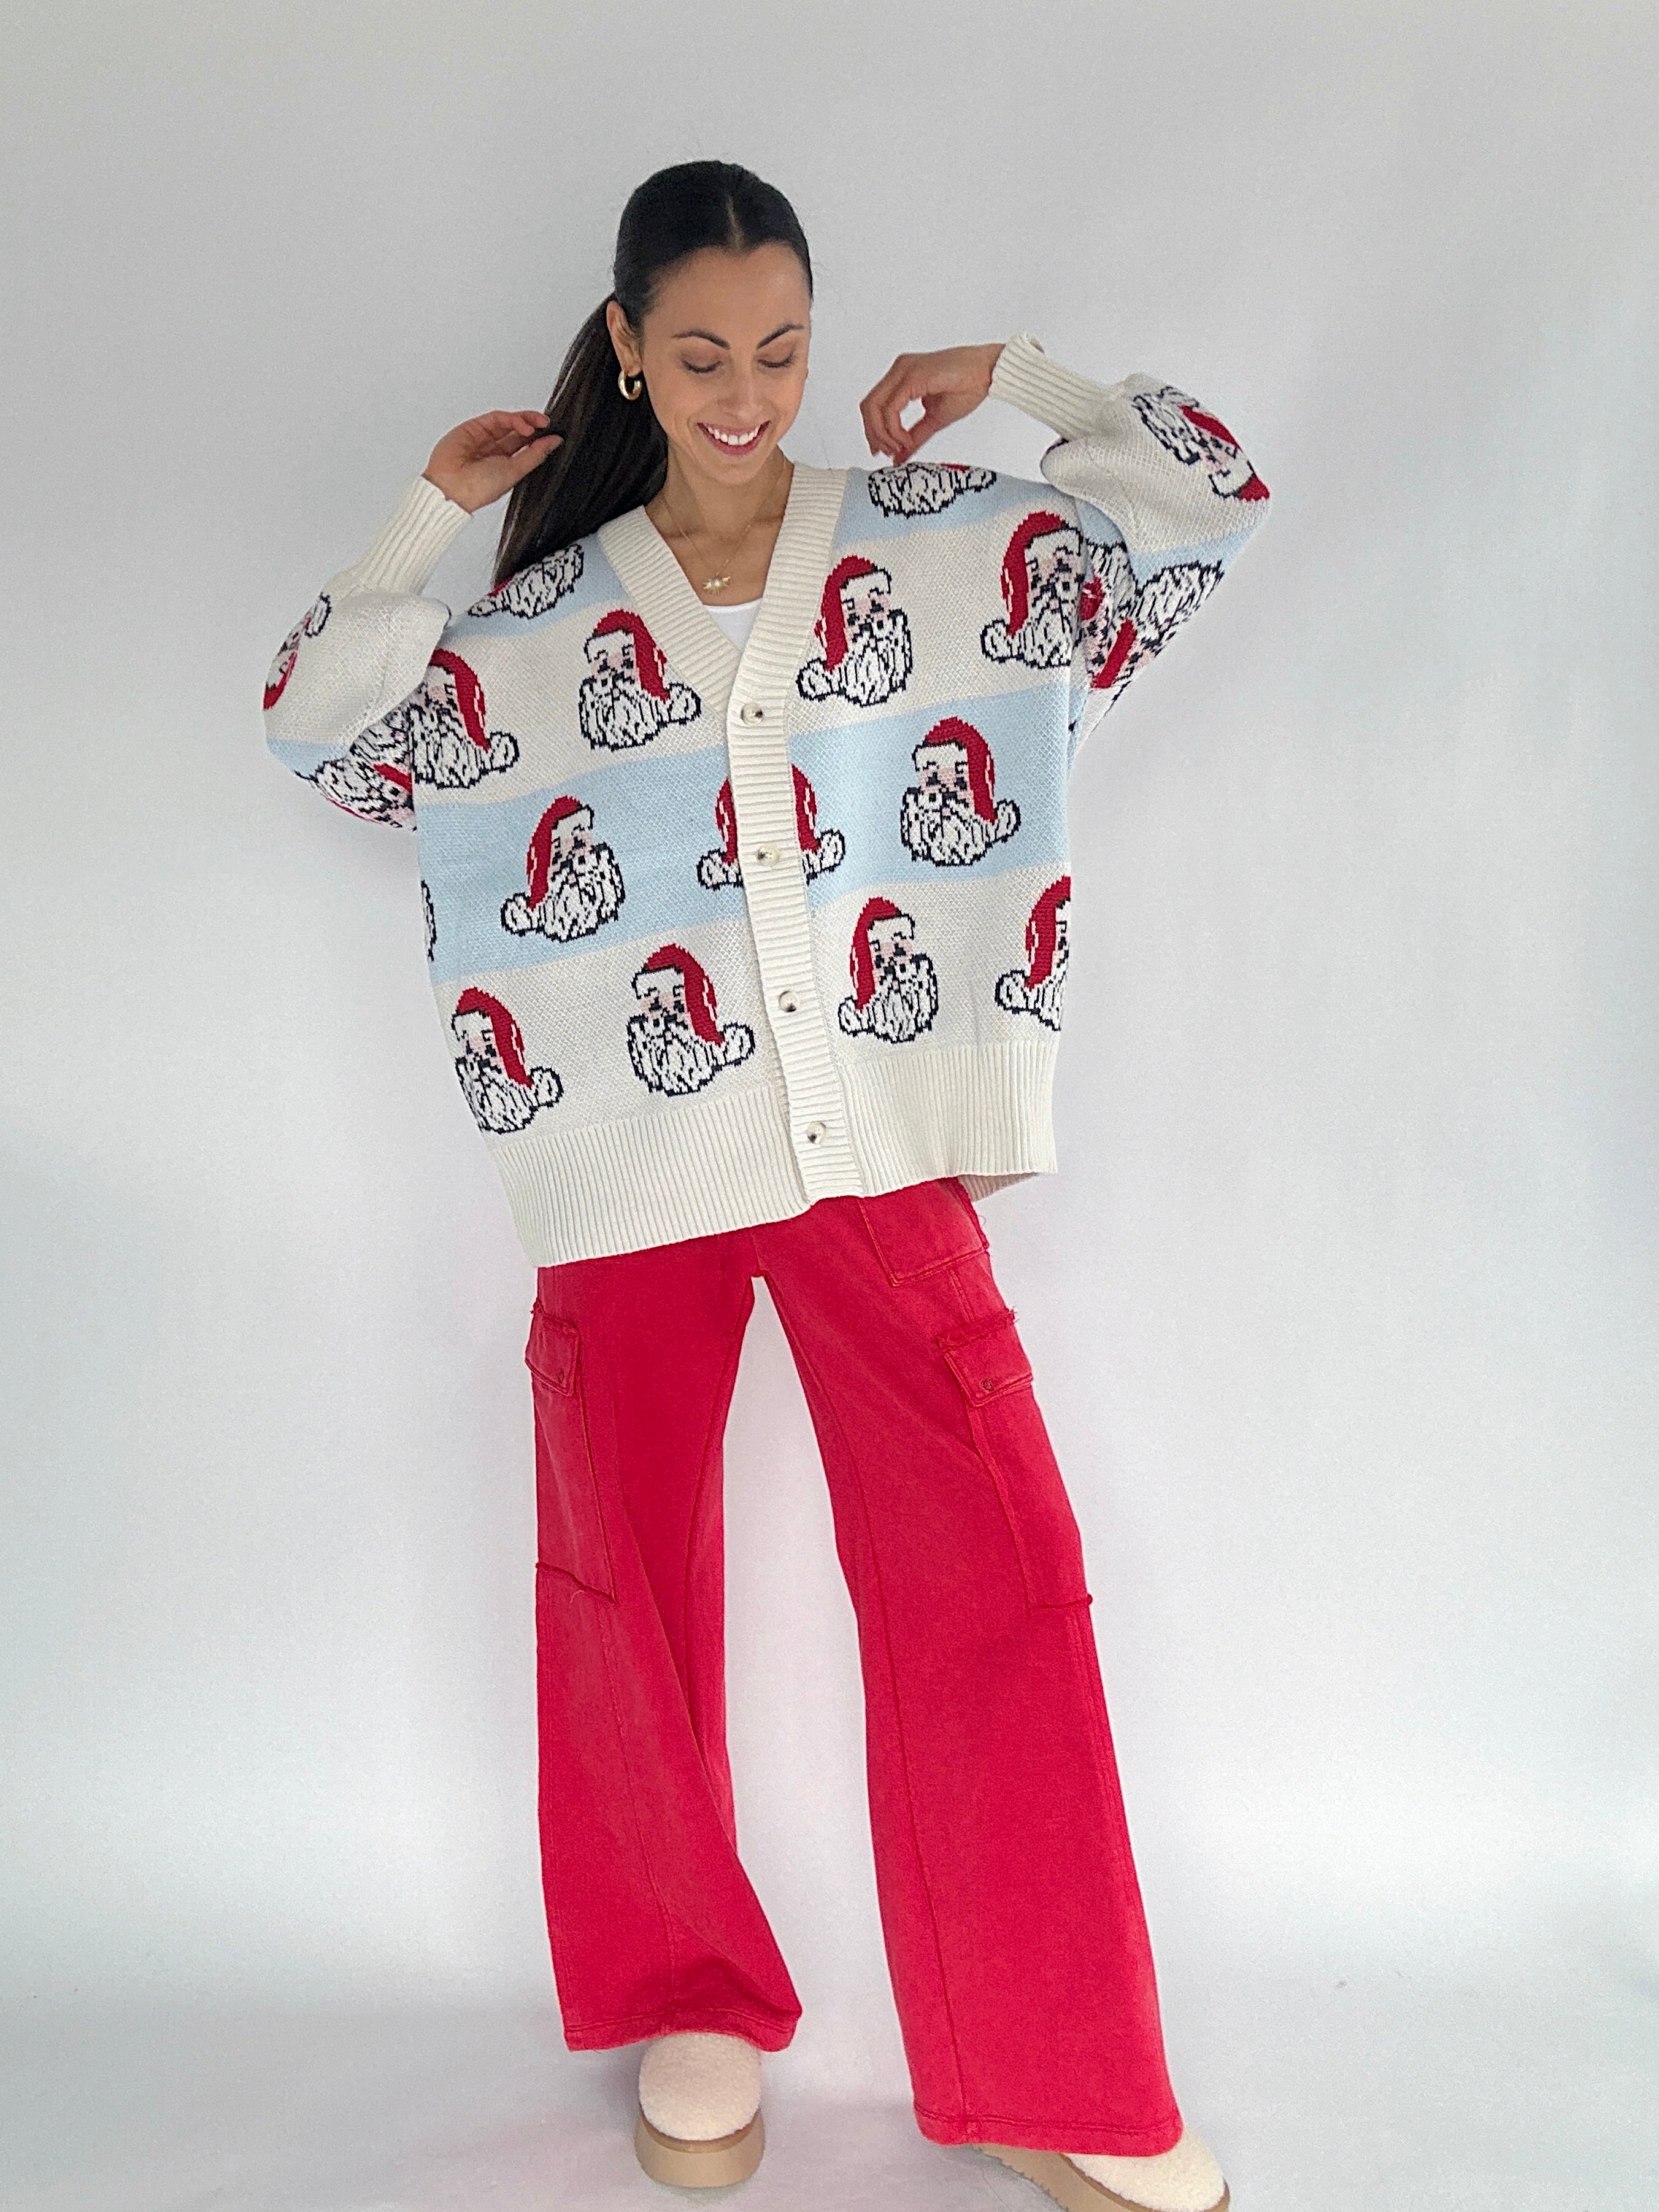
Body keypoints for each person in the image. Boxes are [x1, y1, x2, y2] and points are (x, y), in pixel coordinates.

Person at [262, 159, 1269, 2212]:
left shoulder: (947, 543)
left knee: (998, 1570)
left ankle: (1055, 2069)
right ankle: (689, 1994)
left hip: (871, 1150)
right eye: (704, 354)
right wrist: (431, 516)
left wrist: (1023, 375)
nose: (747, 394)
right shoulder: (536, 625)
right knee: (624, 1588)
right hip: (619, 1160)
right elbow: (317, 726)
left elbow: (1204, 505)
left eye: (785, 352)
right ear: (629, 350)